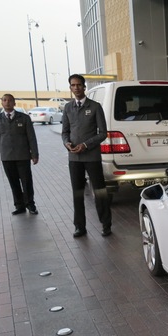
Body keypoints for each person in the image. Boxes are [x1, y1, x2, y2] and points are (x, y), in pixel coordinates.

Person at [62, 74, 112, 237]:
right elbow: (65, 132)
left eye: (79, 85)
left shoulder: (95, 107)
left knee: (99, 192)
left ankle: (106, 224)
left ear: (84, 87)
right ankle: (79, 227)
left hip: (92, 157)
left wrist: (85, 145)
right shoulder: (68, 108)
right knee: (77, 193)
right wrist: (67, 143)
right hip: (74, 159)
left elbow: (103, 133)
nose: (76, 88)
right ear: (70, 88)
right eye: (73, 85)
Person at [0, 94, 39, 215]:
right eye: (4, 100)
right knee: (13, 182)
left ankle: (30, 204)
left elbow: (31, 137)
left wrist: (34, 154)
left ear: (14, 103)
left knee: (26, 181)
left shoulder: (24, 118)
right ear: (1, 103)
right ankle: (19, 205)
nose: (7, 102)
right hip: (7, 157)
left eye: (10, 100)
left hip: (23, 156)